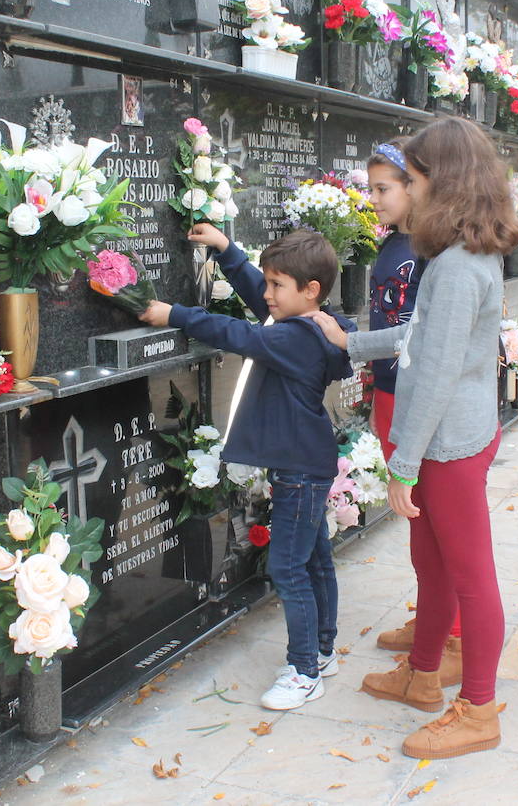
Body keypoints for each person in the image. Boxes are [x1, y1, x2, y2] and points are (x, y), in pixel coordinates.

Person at [311, 117, 518, 759]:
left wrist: (403, 463)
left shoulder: (458, 265)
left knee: (468, 576)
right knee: (433, 567)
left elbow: (430, 372)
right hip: (447, 435)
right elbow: (421, 337)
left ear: (442, 180)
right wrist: (355, 343)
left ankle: (479, 708)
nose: (408, 185)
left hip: (447, 445)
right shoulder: (455, 255)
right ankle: (423, 676)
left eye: (415, 174)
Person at [140, 226, 358, 711]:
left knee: (288, 568)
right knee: (314, 559)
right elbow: (259, 306)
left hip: (300, 471)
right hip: (305, 465)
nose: (267, 294)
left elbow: (236, 332)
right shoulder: (310, 325)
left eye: (277, 285)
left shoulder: (295, 339)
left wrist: (171, 313)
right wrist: (227, 251)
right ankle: (322, 650)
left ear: (310, 291)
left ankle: (304, 670)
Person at [364, 140, 464, 686]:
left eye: (384, 189)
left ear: (415, 186)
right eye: (371, 188)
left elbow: (418, 334)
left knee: (432, 521)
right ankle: (433, 620)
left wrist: (355, 344)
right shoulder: (393, 244)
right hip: (388, 388)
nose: (374, 199)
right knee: (417, 521)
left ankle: (449, 635)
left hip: (412, 395)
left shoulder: (428, 252)